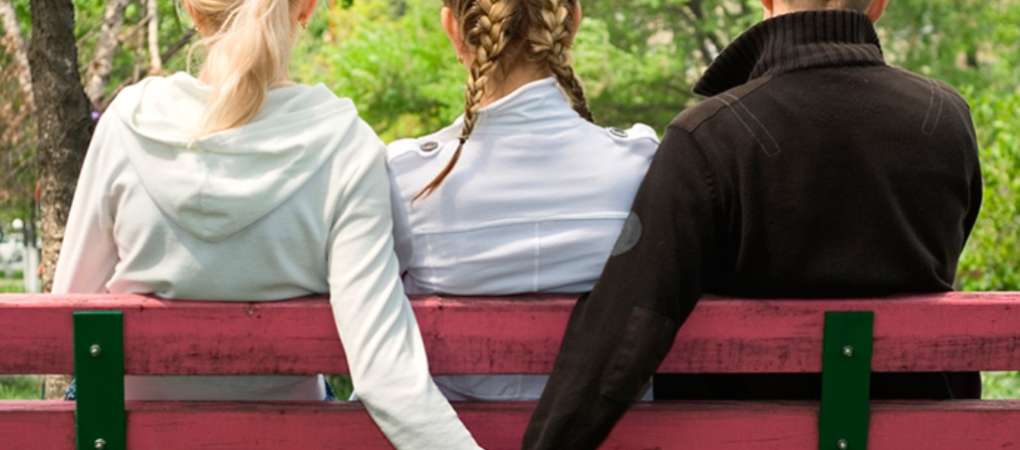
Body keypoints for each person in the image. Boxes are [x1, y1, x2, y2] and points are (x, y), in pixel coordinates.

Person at [523, 0, 984, 448]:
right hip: (923, 437)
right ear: (878, 5)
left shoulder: (708, 136)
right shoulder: (946, 118)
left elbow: (631, 322)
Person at [51, 0, 481, 448]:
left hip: (126, 435)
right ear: (306, 8)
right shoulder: (346, 146)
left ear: (191, 9)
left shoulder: (127, 123)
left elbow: (68, 311)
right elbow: (384, 371)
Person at [386, 0, 659, 402]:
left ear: (453, 29)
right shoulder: (641, 165)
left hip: (452, 431)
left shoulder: (407, 176)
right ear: (572, 21)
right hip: (604, 430)